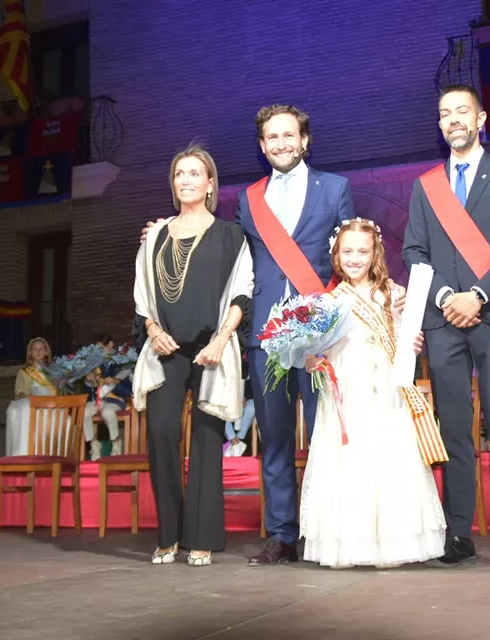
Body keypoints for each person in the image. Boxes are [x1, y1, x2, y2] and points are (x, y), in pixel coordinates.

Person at [140, 105, 359, 565]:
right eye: (271, 138)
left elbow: (348, 261)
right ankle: (282, 533)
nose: (280, 143)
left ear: (304, 140)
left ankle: (327, 531)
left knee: (326, 434)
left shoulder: (335, 188)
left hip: (320, 337)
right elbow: (226, 260)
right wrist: (158, 232)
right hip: (266, 338)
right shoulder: (248, 199)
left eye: (288, 135)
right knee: (275, 438)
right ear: (261, 147)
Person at [402, 84, 490, 570]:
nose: (453, 119)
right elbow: (413, 251)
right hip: (442, 322)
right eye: (444, 113)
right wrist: (444, 297)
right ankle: (458, 533)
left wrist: (478, 295)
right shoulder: (425, 186)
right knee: (453, 430)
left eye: (462, 111)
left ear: (482, 120)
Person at [299, 218, 447, 569]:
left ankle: (393, 543)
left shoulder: (393, 294)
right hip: (346, 391)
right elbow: (311, 356)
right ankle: (352, 544)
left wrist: (412, 342)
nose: (355, 258)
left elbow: (403, 339)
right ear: (337, 255)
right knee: (349, 462)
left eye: (362, 252)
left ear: (374, 253)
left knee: (387, 458)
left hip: (384, 390)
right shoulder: (327, 302)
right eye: (347, 251)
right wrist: (311, 360)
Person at [132, 145, 253, 567]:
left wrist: (222, 339)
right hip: (166, 346)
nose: (186, 180)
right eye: (179, 173)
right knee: (162, 432)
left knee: (206, 439)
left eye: (195, 173)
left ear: (210, 183)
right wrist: (152, 329)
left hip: (212, 347)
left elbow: (242, 290)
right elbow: (143, 294)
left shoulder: (230, 234)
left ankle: (200, 537)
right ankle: (169, 535)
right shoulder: (154, 238)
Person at [5, 337, 58, 456]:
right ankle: (26, 451)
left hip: (51, 404)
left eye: (41, 349)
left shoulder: (54, 371)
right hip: (32, 403)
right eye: (35, 349)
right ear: (30, 352)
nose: (38, 352)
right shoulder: (24, 371)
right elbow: (20, 391)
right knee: (25, 409)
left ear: (46, 352)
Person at [82, 333, 130, 461]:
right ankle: (93, 445)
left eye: (101, 348)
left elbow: (129, 389)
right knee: (84, 411)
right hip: (97, 400)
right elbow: (89, 392)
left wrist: (115, 381)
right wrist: (89, 381)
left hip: (115, 399)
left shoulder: (123, 361)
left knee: (108, 412)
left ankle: (116, 443)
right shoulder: (94, 364)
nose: (98, 352)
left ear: (110, 344)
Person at [224, 355, 255, 457]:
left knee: (252, 407)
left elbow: (253, 387)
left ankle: (238, 441)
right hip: (228, 400)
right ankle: (234, 442)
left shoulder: (251, 364)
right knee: (219, 411)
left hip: (247, 399)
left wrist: (246, 397)